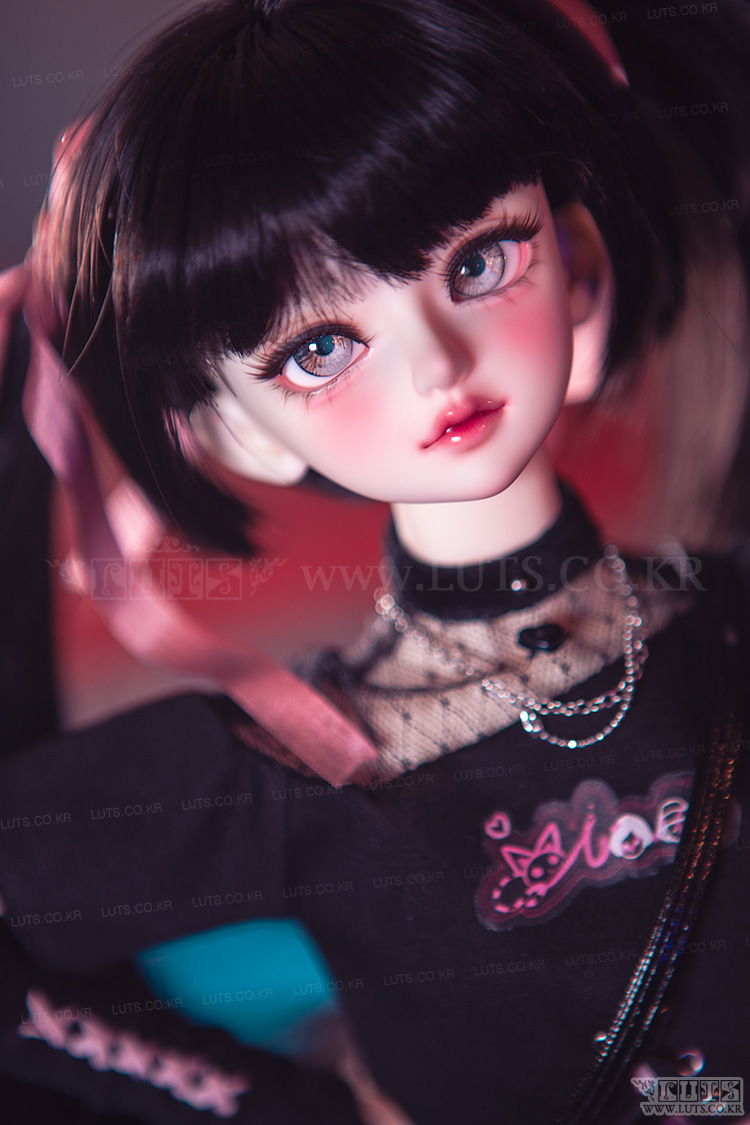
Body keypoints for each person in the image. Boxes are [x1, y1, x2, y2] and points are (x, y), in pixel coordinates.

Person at [0, 0, 749, 1121]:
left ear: (578, 268)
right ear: (237, 429)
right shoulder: (300, 760)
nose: (437, 364)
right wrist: (271, 1103)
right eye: (318, 348)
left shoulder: (719, 620)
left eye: (481, 260)